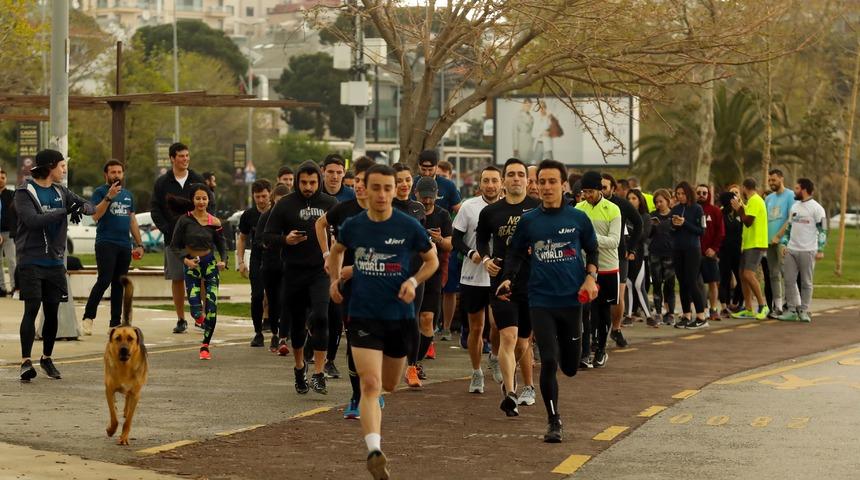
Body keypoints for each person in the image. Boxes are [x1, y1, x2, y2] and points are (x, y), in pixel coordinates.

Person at [327, 164, 438, 479]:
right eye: (375, 187)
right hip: (362, 314)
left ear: (395, 190)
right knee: (370, 384)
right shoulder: (353, 225)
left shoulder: (408, 226)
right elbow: (336, 252)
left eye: (387, 188)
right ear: (363, 188)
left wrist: (414, 282)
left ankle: (374, 441)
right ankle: (374, 450)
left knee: (389, 384)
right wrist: (335, 280)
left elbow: (431, 261)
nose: (382, 194)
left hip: (399, 317)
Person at [497, 159, 599, 441]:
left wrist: (591, 277)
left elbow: (592, 250)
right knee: (550, 361)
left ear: (563, 185)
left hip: (572, 300)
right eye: (541, 182)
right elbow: (515, 253)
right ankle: (554, 421)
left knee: (570, 366)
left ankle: (572, 361)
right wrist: (509, 277)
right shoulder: (530, 221)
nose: (546, 187)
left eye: (552, 181)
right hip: (540, 299)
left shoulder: (578, 219)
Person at [16, 149, 96, 381]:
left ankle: (46, 358)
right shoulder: (25, 192)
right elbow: (32, 221)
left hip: (54, 262)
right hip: (30, 260)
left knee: (52, 312)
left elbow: (88, 206)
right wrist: (65, 211)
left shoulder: (61, 191)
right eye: (62, 165)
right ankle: (25, 362)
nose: (64, 169)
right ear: (50, 166)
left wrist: (82, 208)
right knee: (31, 309)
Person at [264, 160, 336, 395]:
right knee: (297, 325)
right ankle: (299, 367)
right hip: (294, 270)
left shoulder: (329, 203)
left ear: (319, 181)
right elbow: (267, 236)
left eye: (313, 182)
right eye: (304, 182)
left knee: (322, 318)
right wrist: (286, 240)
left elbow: (342, 233)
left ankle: (318, 372)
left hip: (320, 271)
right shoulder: (285, 204)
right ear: (297, 182)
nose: (308, 187)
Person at [476, 158, 540, 414]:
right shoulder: (491, 212)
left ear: (527, 180)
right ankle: (511, 393)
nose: (515, 178)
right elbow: (481, 240)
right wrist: (487, 259)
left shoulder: (538, 209)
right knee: (507, 336)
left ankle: (510, 383)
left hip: (531, 282)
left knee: (523, 343)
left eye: (520, 174)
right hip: (501, 282)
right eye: (510, 174)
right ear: (504, 180)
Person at [316, 157, 376, 419]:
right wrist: (328, 257)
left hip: (381, 284)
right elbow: (320, 224)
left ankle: (373, 388)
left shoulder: (385, 211)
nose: (360, 187)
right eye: (358, 182)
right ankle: (356, 396)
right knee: (354, 339)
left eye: (365, 182)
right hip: (351, 286)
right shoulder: (344, 209)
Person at [453, 165, 502, 393]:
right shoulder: (469, 207)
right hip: (472, 276)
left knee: (497, 325)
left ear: (501, 183)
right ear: (479, 184)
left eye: (494, 181)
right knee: (476, 327)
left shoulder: (508, 208)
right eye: (486, 181)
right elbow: (455, 239)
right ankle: (476, 372)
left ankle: (494, 356)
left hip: (499, 277)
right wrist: (470, 252)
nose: (490, 185)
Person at [82, 160, 146, 334]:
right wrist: (109, 197)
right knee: (104, 280)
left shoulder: (128, 195)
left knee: (119, 283)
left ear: (123, 174)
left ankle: (115, 322)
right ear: (106, 175)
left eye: (119, 172)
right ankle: (88, 317)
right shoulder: (100, 192)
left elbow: (132, 220)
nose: (116, 175)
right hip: (106, 242)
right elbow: (95, 216)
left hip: (124, 244)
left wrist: (139, 244)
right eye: (113, 172)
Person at [151, 142, 208, 334]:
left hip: (196, 240)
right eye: (181, 156)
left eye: (187, 156)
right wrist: (167, 229)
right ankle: (181, 319)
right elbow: (155, 209)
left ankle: (200, 317)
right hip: (173, 241)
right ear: (172, 159)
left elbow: (210, 202)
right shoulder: (162, 182)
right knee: (178, 278)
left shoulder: (197, 179)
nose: (185, 159)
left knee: (200, 278)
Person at [170, 184, 227, 360]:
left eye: (204, 198)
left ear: (208, 200)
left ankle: (205, 346)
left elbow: (222, 244)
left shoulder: (214, 222)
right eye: (198, 198)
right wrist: (185, 260)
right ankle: (202, 321)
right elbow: (174, 246)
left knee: (212, 308)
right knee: (196, 310)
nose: (201, 201)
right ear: (192, 200)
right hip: (192, 266)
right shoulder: (184, 220)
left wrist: (224, 260)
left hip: (210, 265)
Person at [575, 171, 621, 368]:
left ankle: (601, 348)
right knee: (584, 312)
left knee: (603, 313)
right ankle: (584, 353)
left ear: (600, 189)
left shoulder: (612, 209)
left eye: (591, 191)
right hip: (585, 269)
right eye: (584, 191)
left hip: (608, 268)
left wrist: (591, 238)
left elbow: (614, 242)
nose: (587, 195)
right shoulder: (579, 208)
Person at [410, 176, 453, 386]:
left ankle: (415, 362)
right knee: (408, 321)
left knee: (427, 320)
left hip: (432, 273)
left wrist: (439, 240)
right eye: (423, 197)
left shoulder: (442, 215)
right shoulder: (408, 211)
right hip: (408, 272)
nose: (427, 201)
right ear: (415, 193)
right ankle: (406, 360)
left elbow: (450, 244)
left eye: (431, 197)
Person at [600, 173, 642, 348]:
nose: (601, 190)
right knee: (597, 298)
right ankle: (598, 333)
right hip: (596, 255)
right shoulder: (588, 205)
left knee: (617, 296)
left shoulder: (622, 204)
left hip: (619, 255)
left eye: (604, 187)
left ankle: (616, 329)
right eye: (598, 187)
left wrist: (631, 248)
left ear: (612, 188)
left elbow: (639, 223)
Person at [777, 178, 826, 323]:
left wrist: (821, 249)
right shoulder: (795, 207)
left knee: (806, 282)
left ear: (804, 190)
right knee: (789, 280)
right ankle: (791, 310)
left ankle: (804, 310)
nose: (795, 191)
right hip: (791, 250)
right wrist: (784, 244)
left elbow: (823, 230)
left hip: (808, 250)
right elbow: (789, 228)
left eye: (797, 188)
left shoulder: (817, 208)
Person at [237, 179, 272, 347]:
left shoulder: (277, 212)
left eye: (264, 196)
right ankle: (258, 332)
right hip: (257, 258)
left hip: (275, 258)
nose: (261, 200)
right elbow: (242, 238)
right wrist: (241, 261)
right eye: (257, 196)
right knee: (257, 295)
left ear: (270, 194)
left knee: (275, 295)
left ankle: (276, 331)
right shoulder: (248, 215)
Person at [669, 182, 708, 329]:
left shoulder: (697, 209)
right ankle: (686, 314)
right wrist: (673, 225)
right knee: (682, 282)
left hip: (693, 249)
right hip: (678, 249)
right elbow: (671, 230)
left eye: (683, 194)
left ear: (689, 194)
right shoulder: (676, 209)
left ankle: (701, 315)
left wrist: (685, 223)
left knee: (692, 281)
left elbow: (702, 231)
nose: (680, 196)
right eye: (678, 194)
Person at [258, 184, 291, 353]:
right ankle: (275, 333)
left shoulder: (291, 216)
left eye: (284, 201)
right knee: (273, 301)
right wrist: (279, 241)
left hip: (288, 265)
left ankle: (283, 337)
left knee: (285, 300)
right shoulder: (266, 217)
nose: (281, 205)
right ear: (273, 200)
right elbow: (260, 240)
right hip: (270, 265)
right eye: (278, 201)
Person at [731, 178, 770, 320]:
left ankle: (762, 305)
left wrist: (739, 209)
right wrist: (741, 208)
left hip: (756, 243)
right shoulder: (751, 202)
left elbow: (748, 221)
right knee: (742, 275)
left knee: (748, 274)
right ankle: (748, 308)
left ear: (744, 188)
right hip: (748, 244)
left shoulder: (755, 200)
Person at [763, 169, 795, 316]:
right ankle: (778, 307)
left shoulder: (790, 195)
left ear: (781, 179)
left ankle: (792, 305)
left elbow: (790, 219)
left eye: (774, 180)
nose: (771, 183)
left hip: (782, 242)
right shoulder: (768, 199)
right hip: (769, 242)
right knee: (773, 274)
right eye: (770, 180)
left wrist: (778, 236)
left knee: (785, 273)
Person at [624, 189, 655, 326]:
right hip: (625, 254)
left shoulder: (645, 217)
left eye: (634, 198)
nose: (631, 201)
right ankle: (629, 316)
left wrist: (631, 231)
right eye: (629, 198)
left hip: (639, 255)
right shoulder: (623, 216)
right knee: (629, 285)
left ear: (640, 201)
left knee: (638, 284)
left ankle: (649, 316)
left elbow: (643, 236)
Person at [695, 184, 725, 323]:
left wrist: (714, 248)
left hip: (710, 254)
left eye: (704, 193)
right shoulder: (692, 210)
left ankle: (714, 309)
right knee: (697, 283)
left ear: (709, 195)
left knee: (713, 282)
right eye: (699, 192)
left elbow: (721, 233)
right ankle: (702, 309)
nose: (701, 195)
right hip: (694, 253)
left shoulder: (715, 211)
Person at [649, 189, 676, 325]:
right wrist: (652, 226)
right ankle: (658, 312)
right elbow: (648, 235)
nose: (659, 204)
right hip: (655, 253)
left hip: (670, 253)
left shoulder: (674, 216)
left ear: (668, 200)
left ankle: (670, 312)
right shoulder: (652, 215)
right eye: (656, 202)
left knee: (670, 284)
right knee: (657, 283)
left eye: (661, 201)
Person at [718, 185, 744, 316]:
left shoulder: (740, 212)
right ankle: (725, 305)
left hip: (738, 251)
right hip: (724, 251)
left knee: (741, 277)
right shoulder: (721, 214)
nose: (735, 201)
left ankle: (737, 302)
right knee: (725, 278)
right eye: (732, 199)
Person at [416, 149, 462, 214]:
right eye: (423, 169)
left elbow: (461, 212)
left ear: (437, 167)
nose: (427, 173)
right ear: (418, 166)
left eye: (430, 170)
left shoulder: (448, 185)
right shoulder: (411, 184)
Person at [0, 168, 18, 297]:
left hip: (8, 232)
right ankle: (1, 288)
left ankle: (14, 287)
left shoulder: (11, 194)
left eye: (3, 178)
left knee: (12, 260)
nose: (1, 180)